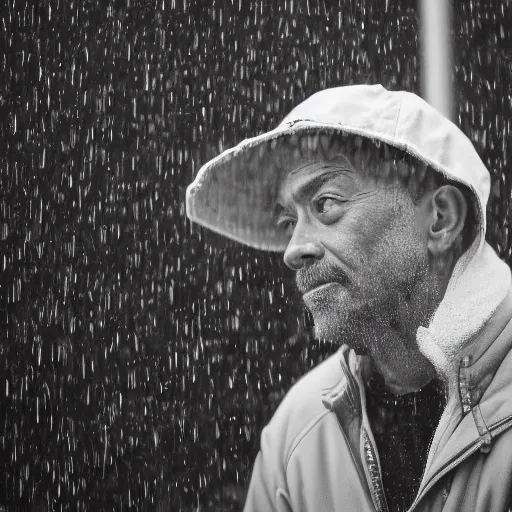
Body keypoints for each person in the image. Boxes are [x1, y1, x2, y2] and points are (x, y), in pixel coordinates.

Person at [185, 84, 512, 511]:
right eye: (289, 222)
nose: (292, 249)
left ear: (441, 218)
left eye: (325, 204)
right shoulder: (296, 432)